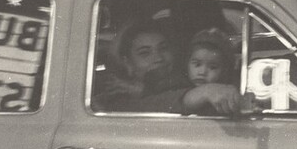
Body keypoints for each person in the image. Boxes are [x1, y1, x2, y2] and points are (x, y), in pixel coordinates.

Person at [92, 19, 243, 115]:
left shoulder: (184, 78)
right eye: (145, 53)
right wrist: (205, 92)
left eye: (163, 48)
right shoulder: (116, 96)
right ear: (127, 63)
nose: (158, 58)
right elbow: (146, 107)